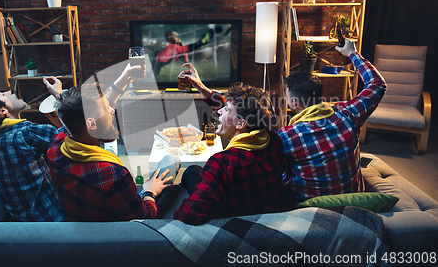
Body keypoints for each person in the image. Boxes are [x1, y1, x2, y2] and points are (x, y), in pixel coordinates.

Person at [45, 65, 181, 222]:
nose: (112, 110)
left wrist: (62, 98)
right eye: (106, 108)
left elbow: (75, 116)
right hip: (125, 226)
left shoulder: (55, 146)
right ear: (91, 124)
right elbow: (143, 217)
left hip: (89, 213)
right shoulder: (114, 176)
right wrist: (150, 192)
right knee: (172, 161)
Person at [172, 63, 285, 225]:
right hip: (264, 214)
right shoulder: (273, 141)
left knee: (189, 177)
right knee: (192, 172)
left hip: (231, 223)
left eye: (226, 110)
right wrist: (200, 85)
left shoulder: (222, 163)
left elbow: (187, 216)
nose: (219, 111)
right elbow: (241, 110)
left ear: (240, 124)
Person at [277, 40, 387, 205]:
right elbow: (377, 84)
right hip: (353, 202)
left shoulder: (287, 136)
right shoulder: (349, 113)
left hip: (308, 209)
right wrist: (352, 53)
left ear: (294, 104)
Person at [0, 79, 66, 222]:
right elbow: (73, 135)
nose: (9, 91)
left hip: (23, 223)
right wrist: (59, 96)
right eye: (2, 94)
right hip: (54, 218)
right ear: (1, 111)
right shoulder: (26, 134)